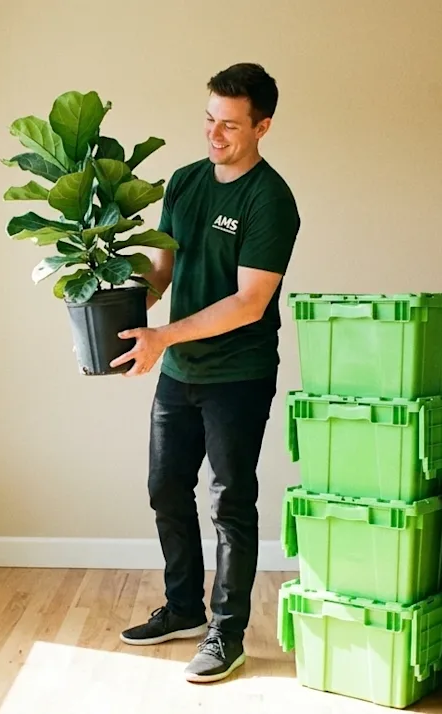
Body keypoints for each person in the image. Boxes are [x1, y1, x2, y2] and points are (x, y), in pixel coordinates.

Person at [108, 62, 300, 683]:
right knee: (166, 487)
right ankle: (185, 608)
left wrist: (163, 336)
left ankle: (227, 634)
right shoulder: (186, 182)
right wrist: (115, 296)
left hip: (237, 375)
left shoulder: (270, 200)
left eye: (230, 125)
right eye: (209, 119)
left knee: (229, 502)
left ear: (263, 126)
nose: (214, 135)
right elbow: (164, 273)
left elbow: (249, 301)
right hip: (180, 366)